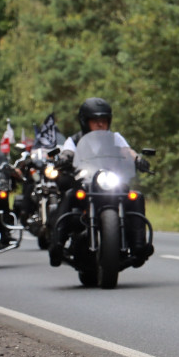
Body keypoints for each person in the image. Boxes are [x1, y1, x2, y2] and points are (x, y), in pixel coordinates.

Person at [48, 97, 152, 266]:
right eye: (95, 121)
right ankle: (57, 244)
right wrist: (64, 158)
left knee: (135, 196)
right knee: (69, 195)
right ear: (85, 122)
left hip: (111, 181)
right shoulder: (74, 140)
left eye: (103, 121)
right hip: (86, 182)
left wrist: (138, 159)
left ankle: (139, 245)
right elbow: (68, 151)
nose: (100, 125)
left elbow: (128, 151)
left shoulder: (115, 138)